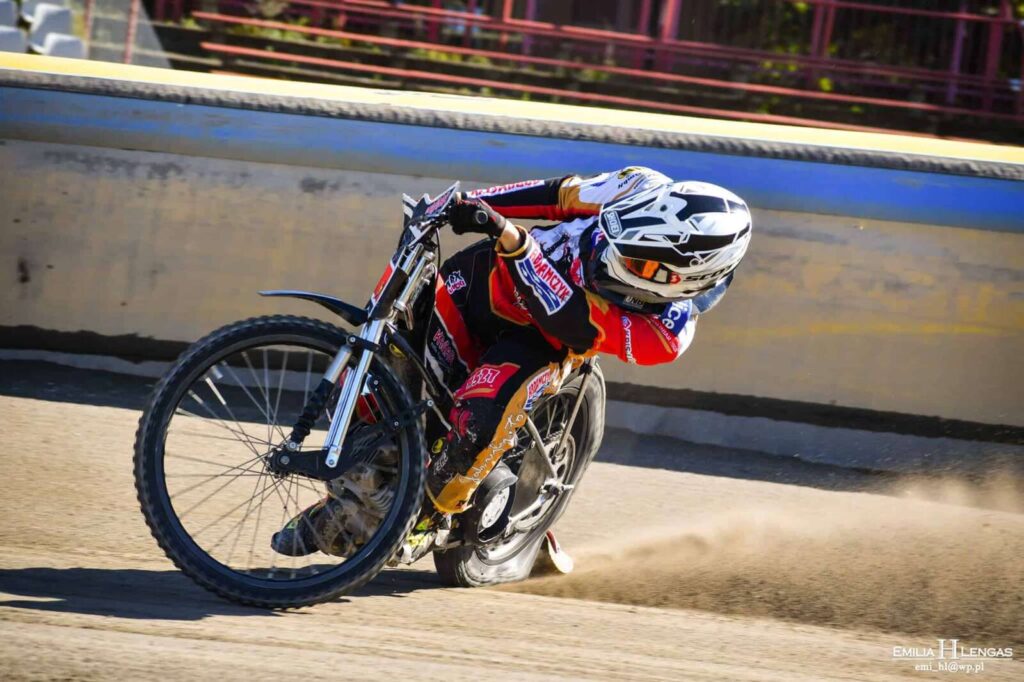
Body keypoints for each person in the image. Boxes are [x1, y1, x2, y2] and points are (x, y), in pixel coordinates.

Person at [272, 167, 752, 557]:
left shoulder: (667, 333)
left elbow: (572, 320)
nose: (614, 255)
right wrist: (471, 206)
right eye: (620, 232)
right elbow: (555, 197)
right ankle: (351, 489)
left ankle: (428, 516)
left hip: (537, 342)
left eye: (640, 265)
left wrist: (517, 243)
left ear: (684, 281)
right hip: (485, 277)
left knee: (476, 418)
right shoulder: (637, 185)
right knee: (382, 358)